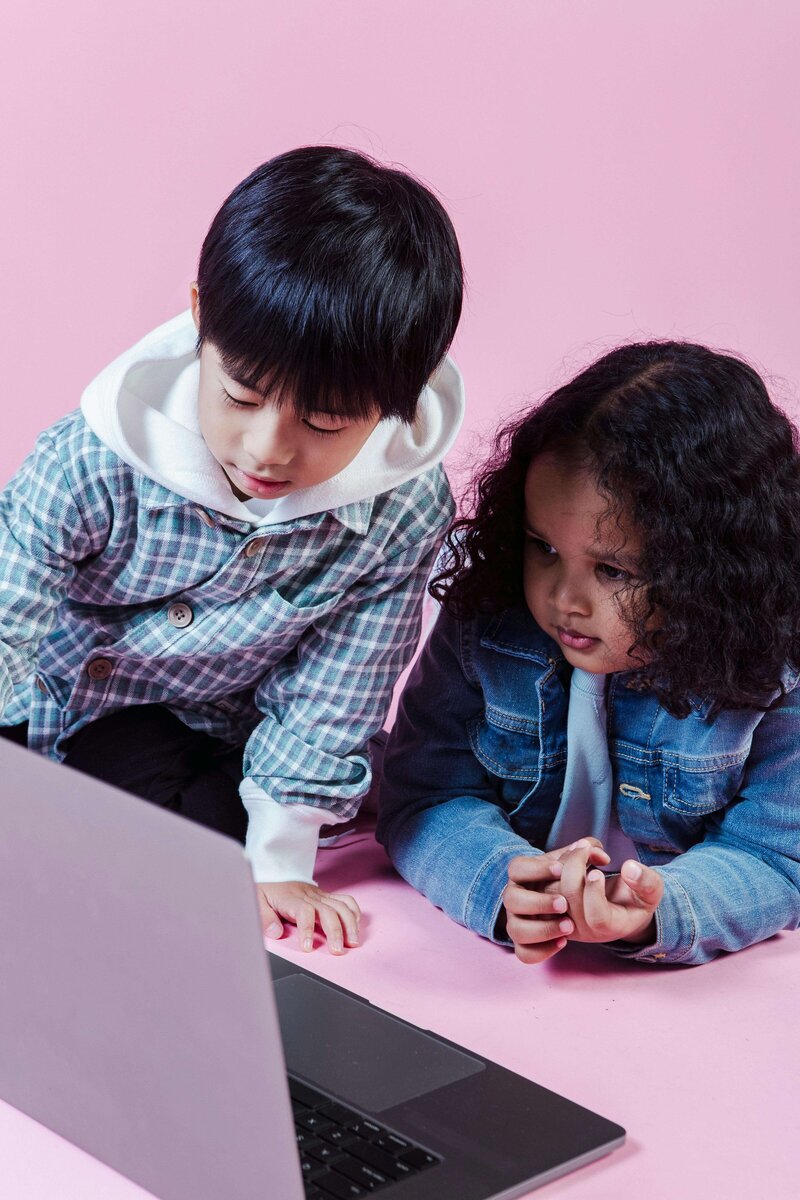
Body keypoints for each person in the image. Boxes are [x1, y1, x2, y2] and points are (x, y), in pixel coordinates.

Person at [0, 146, 464, 954]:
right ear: (201, 319)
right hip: (69, 710)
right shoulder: (93, 458)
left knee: (206, 867)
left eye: (324, 425)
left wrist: (277, 860)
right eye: (241, 396)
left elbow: (339, 691)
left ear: (403, 396)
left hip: (226, 734)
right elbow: (10, 613)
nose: (267, 449)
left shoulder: (404, 508)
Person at [377, 341, 800, 967]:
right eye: (542, 547)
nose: (565, 599)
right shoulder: (485, 624)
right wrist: (502, 886)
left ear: (711, 571)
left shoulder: (773, 666)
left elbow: (776, 855)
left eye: (613, 571)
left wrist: (657, 914)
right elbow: (423, 795)